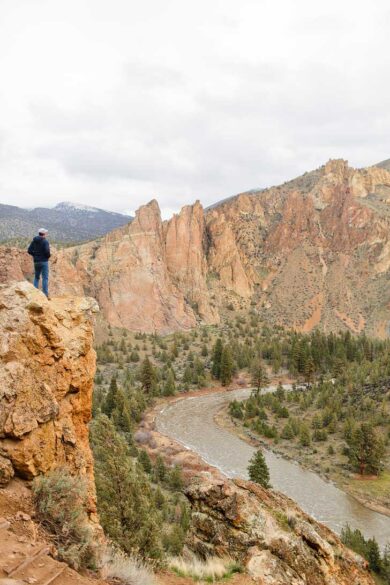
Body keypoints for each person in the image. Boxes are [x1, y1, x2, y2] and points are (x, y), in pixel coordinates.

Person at [27, 228, 51, 298]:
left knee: (36, 277)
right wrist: (48, 256)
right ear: (44, 234)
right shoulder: (45, 241)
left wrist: (35, 255)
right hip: (44, 261)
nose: (46, 234)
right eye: (46, 233)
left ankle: (35, 294)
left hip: (36, 262)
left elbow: (29, 250)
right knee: (45, 278)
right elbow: (47, 252)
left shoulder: (34, 241)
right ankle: (45, 295)